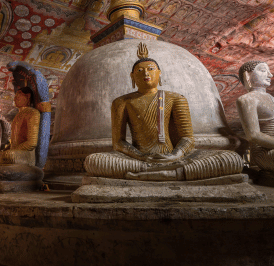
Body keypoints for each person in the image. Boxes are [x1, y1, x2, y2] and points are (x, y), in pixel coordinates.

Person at [83, 43, 243, 180]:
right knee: (94, 161)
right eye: (139, 71)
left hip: (173, 156)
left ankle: (151, 174)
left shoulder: (175, 98)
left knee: (232, 159)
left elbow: (187, 138)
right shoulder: (121, 102)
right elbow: (118, 142)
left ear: (159, 74)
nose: (145, 73)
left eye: (151, 69)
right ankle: (175, 174)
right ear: (132, 76)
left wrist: (175, 155)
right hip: (139, 158)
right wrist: (141, 156)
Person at [0, 88, 40, 166]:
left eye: (17, 97)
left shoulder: (33, 113)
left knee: (9, 155)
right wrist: (4, 151)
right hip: (13, 152)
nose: (14, 99)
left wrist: (10, 152)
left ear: (28, 96)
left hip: (25, 154)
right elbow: (14, 143)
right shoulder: (17, 116)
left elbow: (32, 143)